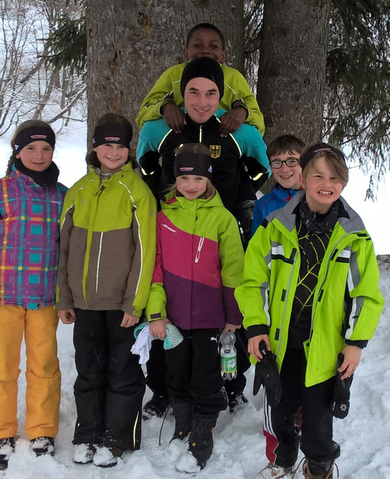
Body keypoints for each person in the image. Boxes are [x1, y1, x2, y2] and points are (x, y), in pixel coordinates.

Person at [236, 143, 385, 479]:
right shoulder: (274, 226)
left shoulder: (355, 237)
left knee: (318, 417)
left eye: (335, 177)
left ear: (343, 183)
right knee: (279, 408)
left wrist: (355, 343)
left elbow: (367, 296)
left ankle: (318, 464)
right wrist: (257, 326)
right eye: (318, 175)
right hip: (279, 342)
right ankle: (283, 458)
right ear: (303, 178)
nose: (326, 183)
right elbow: (252, 282)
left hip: (325, 347)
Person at [138, 56, 268, 417]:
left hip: (220, 235)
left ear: (221, 96)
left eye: (211, 93)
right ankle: (163, 390)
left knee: (227, 310)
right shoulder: (160, 128)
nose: (201, 100)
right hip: (174, 235)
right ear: (180, 93)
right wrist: (160, 211)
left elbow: (259, 173)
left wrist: (234, 203)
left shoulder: (237, 131)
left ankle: (231, 385)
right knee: (173, 318)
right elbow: (145, 171)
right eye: (193, 92)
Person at [0, 120, 67, 469]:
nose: (39, 155)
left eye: (46, 148)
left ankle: (42, 430)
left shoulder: (63, 195)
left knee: (44, 367)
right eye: (31, 148)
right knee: (2, 367)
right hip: (3, 298)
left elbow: (70, 251)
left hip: (45, 299)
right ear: (17, 151)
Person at [56, 113, 156, 468]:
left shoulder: (138, 192)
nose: (113, 152)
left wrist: (135, 303)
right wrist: (64, 299)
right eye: (106, 145)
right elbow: (63, 250)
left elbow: (145, 253)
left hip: (121, 306)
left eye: (121, 146)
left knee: (123, 372)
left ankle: (116, 436)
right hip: (84, 305)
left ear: (129, 151)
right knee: (89, 370)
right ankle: (87, 432)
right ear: (94, 147)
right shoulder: (78, 191)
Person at [146, 144, 245, 473]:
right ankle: (183, 422)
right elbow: (155, 271)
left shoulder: (223, 219)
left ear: (209, 181)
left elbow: (234, 271)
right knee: (176, 372)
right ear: (176, 179)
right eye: (185, 179)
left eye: (199, 179)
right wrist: (157, 314)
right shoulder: (162, 219)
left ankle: (203, 429)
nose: (191, 185)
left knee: (205, 375)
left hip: (209, 318)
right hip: (173, 319)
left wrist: (233, 316)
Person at [136, 22, 264, 136]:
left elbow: (259, 123)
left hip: (224, 149)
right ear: (186, 53)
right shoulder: (173, 75)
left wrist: (243, 113)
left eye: (213, 46)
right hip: (181, 150)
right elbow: (143, 115)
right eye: (197, 45)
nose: (205, 50)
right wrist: (165, 107)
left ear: (223, 56)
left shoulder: (233, 78)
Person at [252, 134, 306, 235]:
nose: (284, 169)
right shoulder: (264, 206)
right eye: (277, 162)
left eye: (291, 161)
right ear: (271, 167)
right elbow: (256, 248)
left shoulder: (318, 199)